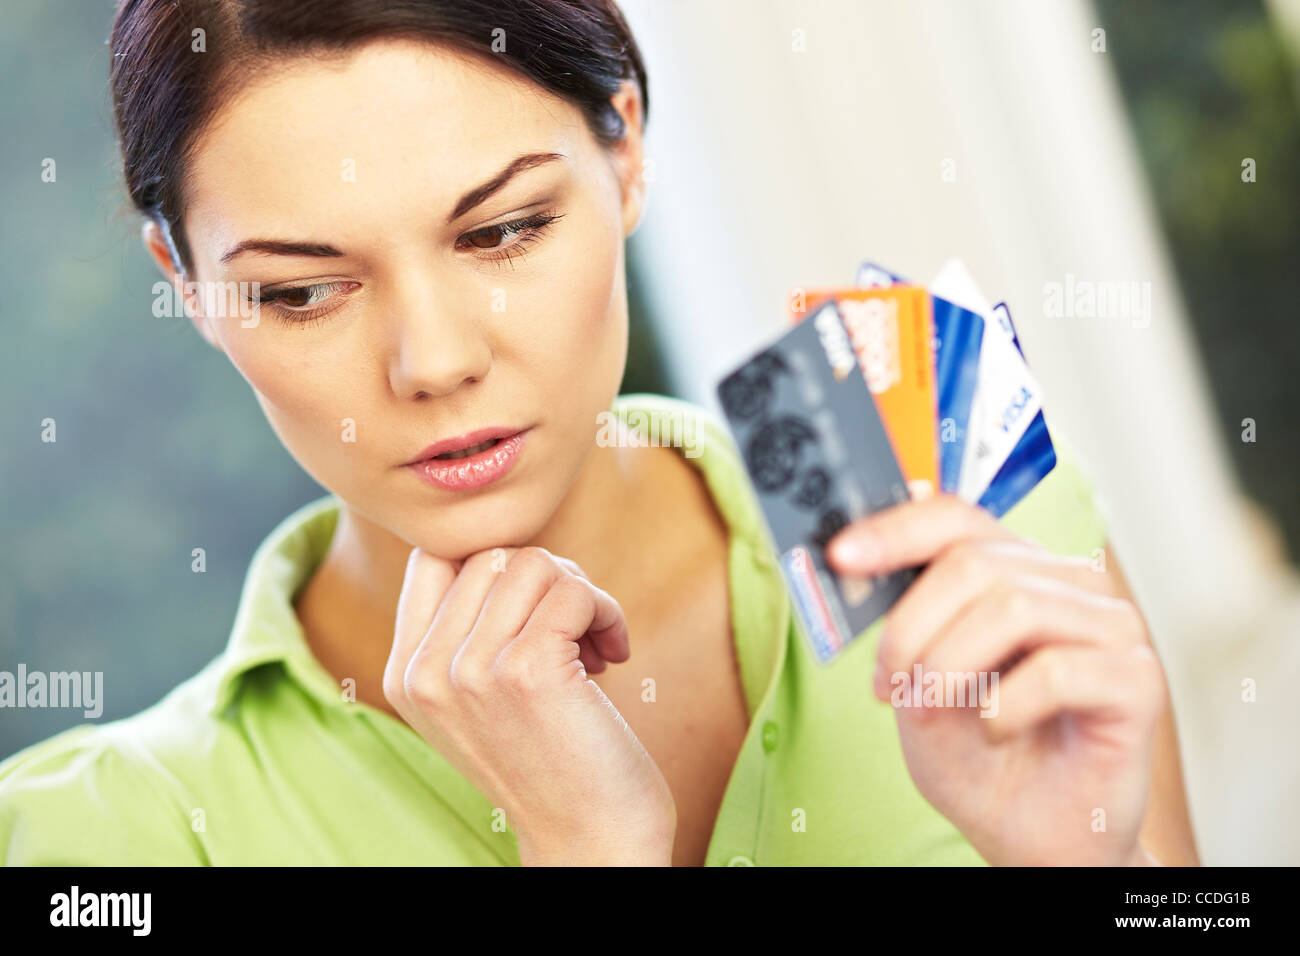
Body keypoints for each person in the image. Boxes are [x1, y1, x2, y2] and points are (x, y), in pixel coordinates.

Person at [0, 0, 1198, 866]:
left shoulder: (985, 534)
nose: (435, 361)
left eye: (504, 229)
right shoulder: (106, 837)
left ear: (623, 149)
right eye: (303, 290)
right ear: (185, 278)